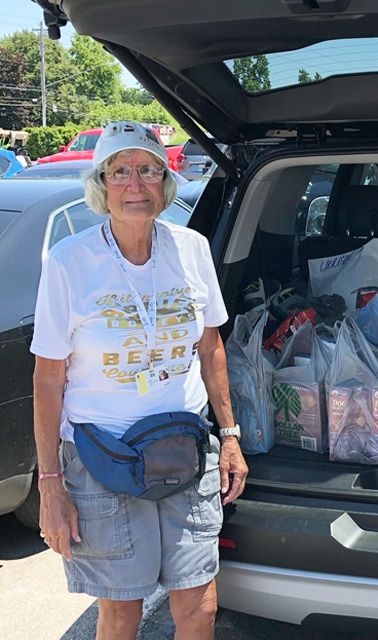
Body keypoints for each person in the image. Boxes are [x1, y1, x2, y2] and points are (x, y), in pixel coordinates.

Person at [31, 121, 248, 640]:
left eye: (148, 170)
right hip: (103, 457)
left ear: (165, 182)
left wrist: (231, 436)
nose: (136, 183)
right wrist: (50, 486)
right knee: (122, 612)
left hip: (186, 449)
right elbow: (47, 379)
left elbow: (210, 345)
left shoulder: (192, 248)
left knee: (200, 606)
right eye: (121, 171)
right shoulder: (69, 262)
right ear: (101, 185)